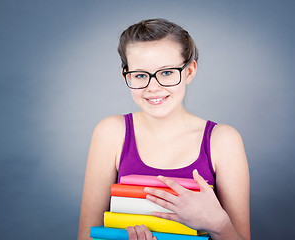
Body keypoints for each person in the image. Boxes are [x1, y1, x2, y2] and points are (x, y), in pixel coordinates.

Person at [77, 18, 250, 240]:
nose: (153, 87)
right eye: (140, 75)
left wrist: (219, 223)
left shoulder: (223, 140)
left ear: (189, 72)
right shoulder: (110, 132)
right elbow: (86, 236)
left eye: (167, 72)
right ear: (126, 76)